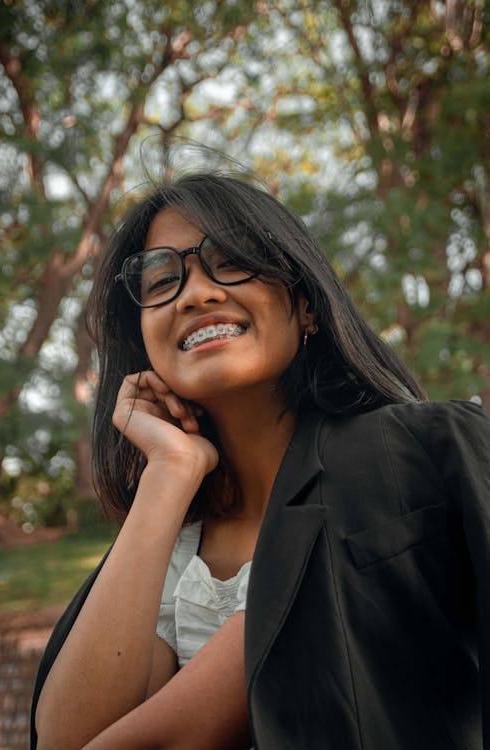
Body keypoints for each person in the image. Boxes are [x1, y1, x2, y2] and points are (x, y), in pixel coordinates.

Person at [31, 172, 489, 750]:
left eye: (233, 260)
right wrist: (168, 473)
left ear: (306, 305)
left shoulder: (419, 455)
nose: (196, 294)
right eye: (162, 280)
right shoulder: (171, 555)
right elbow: (67, 738)